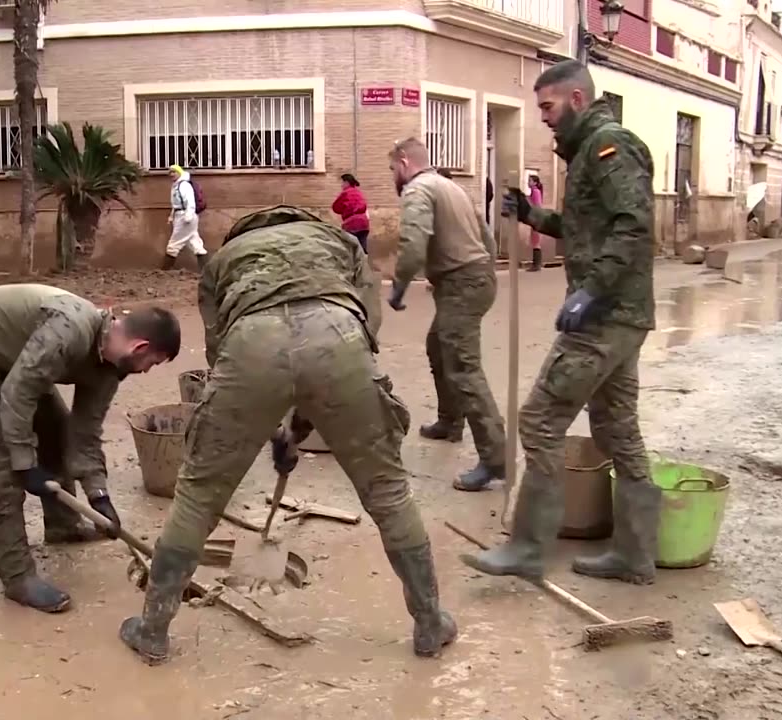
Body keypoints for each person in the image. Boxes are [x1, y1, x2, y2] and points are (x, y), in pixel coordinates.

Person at [119, 206, 456, 665]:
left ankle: (153, 630)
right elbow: (368, 323)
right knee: (389, 491)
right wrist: (311, 409)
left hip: (250, 341)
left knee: (198, 495)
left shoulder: (222, 260)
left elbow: (220, 355)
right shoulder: (338, 243)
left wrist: (274, 420)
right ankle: (430, 623)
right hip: (338, 335)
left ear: (248, 232)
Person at [464, 60, 659, 585]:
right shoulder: (589, 152)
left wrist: (593, 288)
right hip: (622, 315)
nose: (543, 118)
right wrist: (533, 216)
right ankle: (636, 555)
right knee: (617, 429)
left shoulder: (608, 146)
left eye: (547, 107)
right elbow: (583, 228)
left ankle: (527, 547)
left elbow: (633, 227)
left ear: (576, 99)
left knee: (540, 419)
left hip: (606, 316)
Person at [0, 285, 181, 613]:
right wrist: (24, 464)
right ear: (140, 347)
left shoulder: (111, 367)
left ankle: (63, 525)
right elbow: (18, 393)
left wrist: (99, 496)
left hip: (16, 356)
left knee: (57, 432)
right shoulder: (70, 332)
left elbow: (84, 433)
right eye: (153, 362)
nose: (148, 370)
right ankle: (16, 573)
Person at [386, 138, 507, 492]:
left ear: (405, 162)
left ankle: (495, 459)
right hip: (476, 278)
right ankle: (449, 422)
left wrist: (398, 287)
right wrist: (478, 267)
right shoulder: (451, 186)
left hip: (461, 285)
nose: (394, 176)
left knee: (464, 369)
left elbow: (412, 243)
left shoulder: (417, 189)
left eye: (393, 169)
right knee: (438, 346)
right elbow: (489, 240)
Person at [163, 165, 208, 270]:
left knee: (174, 243)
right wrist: (171, 216)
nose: (172, 174)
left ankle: (165, 269)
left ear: (180, 172)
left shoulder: (184, 185)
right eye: (170, 172)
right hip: (181, 215)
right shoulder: (176, 186)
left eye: (174, 172)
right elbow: (176, 205)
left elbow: (190, 201)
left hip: (185, 216)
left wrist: (188, 216)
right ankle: (207, 269)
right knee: (195, 244)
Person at [331, 173, 371, 252]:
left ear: (346, 182)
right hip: (364, 224)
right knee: (362, 249)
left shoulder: (345, 193)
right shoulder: (359, 192)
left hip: (351, 224)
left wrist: (343, 210)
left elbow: (335, 207)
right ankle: (364, 263)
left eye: (342, 182)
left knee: (349, 249)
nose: (341, 185)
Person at [527, 175, 545, 271]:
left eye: (530, 181)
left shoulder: (535, 191)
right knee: (535, 241)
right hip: (536, 218)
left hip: (536, 219)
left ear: (535, 182)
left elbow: (537, 206)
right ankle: (536, 264)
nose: (528, 182)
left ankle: (536, 265)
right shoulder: (533, 192)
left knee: (536, 242)